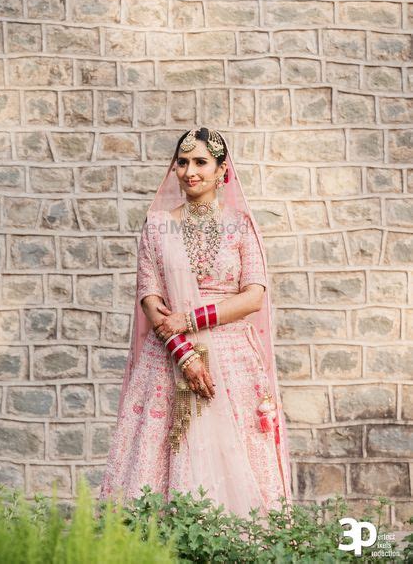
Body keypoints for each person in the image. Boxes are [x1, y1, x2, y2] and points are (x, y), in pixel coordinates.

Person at [99, 127, 292, 519]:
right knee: (160, 461)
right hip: (167, 359)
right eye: (183, 162)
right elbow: (150, 298)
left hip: (231, 360)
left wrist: (190, 318)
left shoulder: (240, 225)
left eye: (201, 162)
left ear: (223, 171)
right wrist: (184, 352)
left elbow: (254, 295)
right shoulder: (157, 225)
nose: (191, 171)